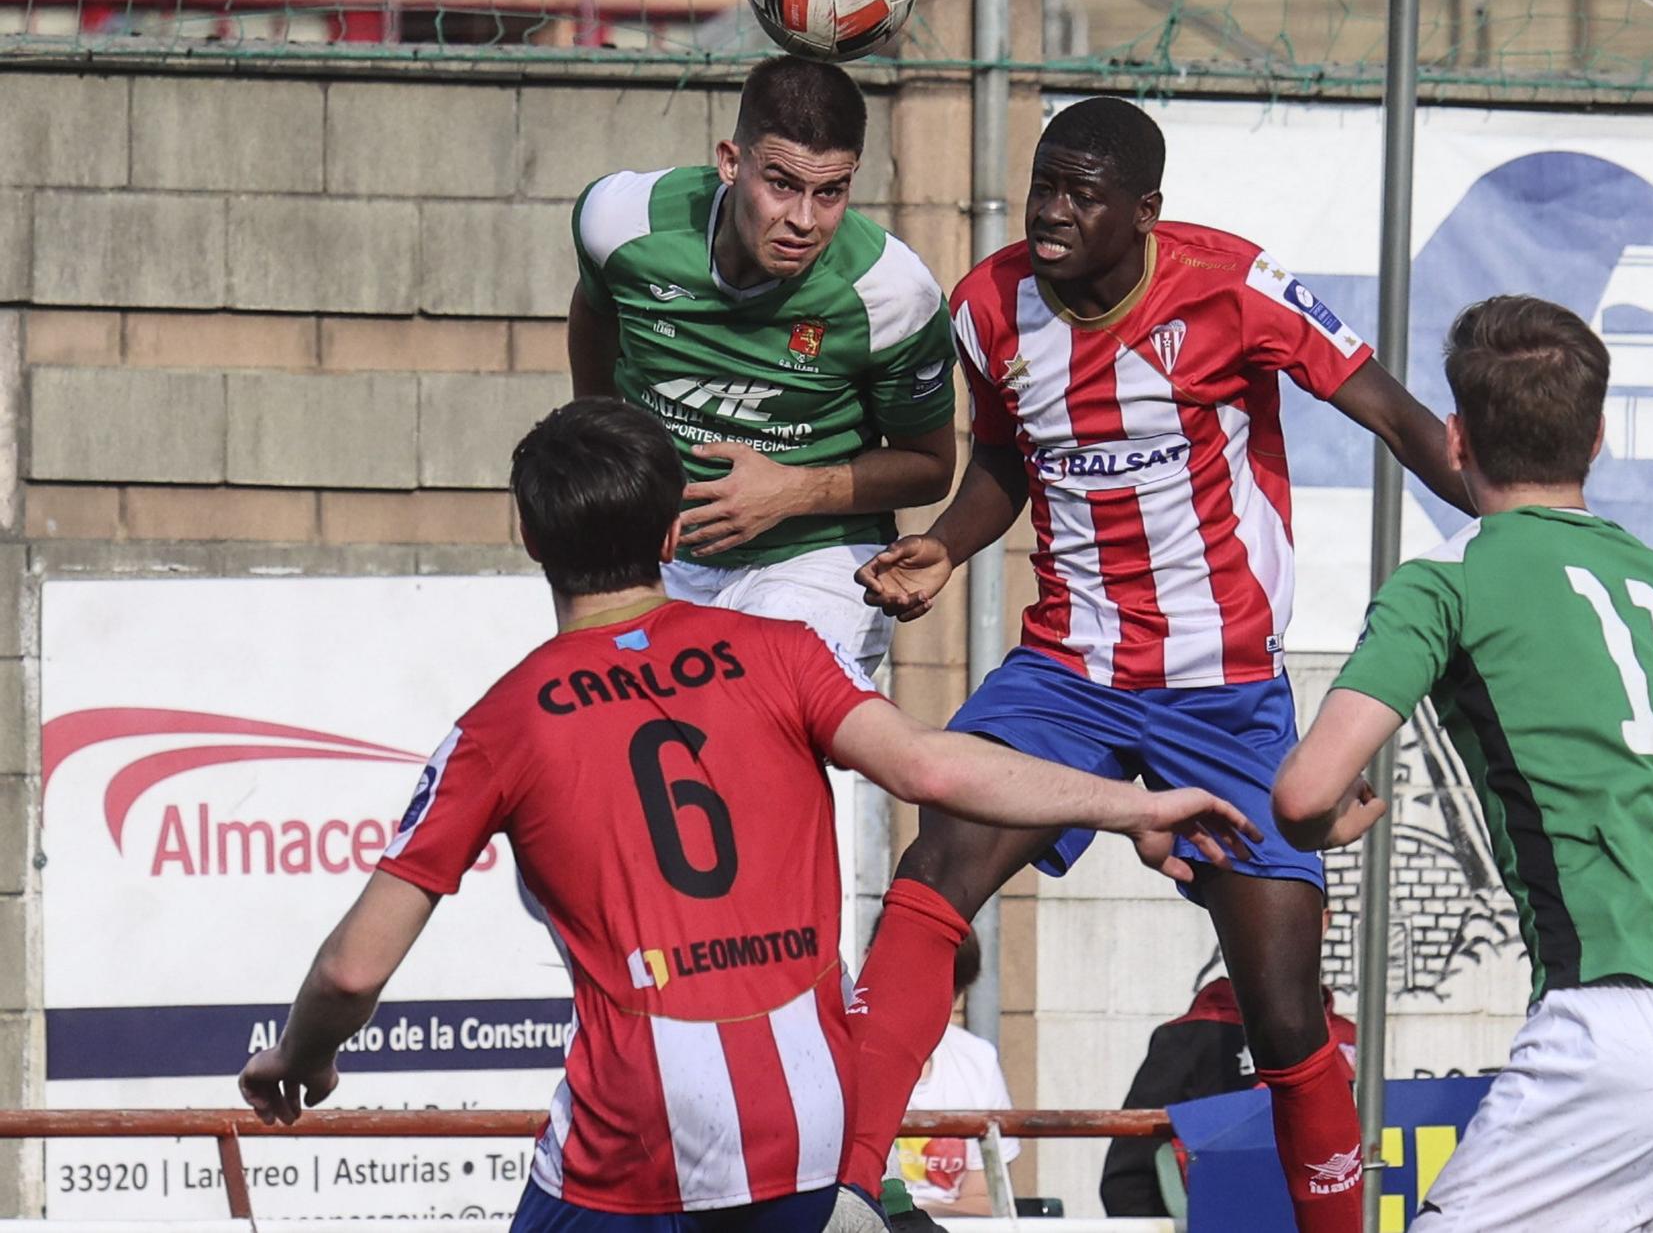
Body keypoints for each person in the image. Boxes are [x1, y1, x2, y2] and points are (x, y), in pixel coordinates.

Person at [238, 398, 1259, 1233]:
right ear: (672, 531)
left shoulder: (502, 722)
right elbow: (933, 767)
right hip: (807, 1116)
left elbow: (351, 968)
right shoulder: (777, 655)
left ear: (528, 534)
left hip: (634, 1128)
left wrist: (304, 1056)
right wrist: (1134, 802)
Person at [843, 96, 1475, 1233]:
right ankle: (835, 1190)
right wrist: (942, 541)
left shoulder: (1232, 286)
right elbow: (1003, 457)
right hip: (1064, 674)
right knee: (935, 863)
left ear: (1143, 213)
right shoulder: (986, 306)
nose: (1050, 212)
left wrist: (1512, 515)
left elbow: (1390, 412)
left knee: (1282, 1013)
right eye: (1042, 184)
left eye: (1082, 194)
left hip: (1220, 692)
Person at [1271, 295, 1653, 1232]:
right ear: (1596, 442)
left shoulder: (1449, 580)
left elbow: (1304, 788)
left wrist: (1322, 820)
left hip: (1619, 1026)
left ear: (1455, 440)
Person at [567, 56, 957, 673]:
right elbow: (596, 313)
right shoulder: (620, 221)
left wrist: (792, 491)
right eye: (781, 184)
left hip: (814, 558)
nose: (804, 220)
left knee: (750, 708)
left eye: (830, 192)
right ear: (731, 161)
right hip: (659, 553)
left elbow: (930, 467)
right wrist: (599, 449)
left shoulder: (893, 293)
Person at [1100, 920, 1357, 1217]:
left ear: (1323, 920)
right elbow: (1127, 1179)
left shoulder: (1348, 1039)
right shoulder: (1193, 1036)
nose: (1274, 917)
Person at [883, 929, 1018, 1218]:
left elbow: (988, 1200)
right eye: (906, 980)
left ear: (956, 996)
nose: (915, 1000)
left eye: (935, 987)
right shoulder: (839, 1059)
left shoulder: (978, 1061)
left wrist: (915, 1216)